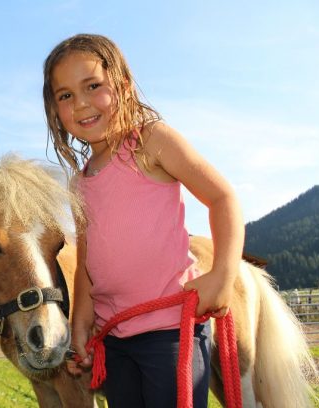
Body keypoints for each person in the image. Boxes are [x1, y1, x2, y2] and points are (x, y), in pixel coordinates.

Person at [43, 34, 244, 407]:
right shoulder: (80, 183)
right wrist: (81, 324)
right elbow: (88, 261)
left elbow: (223, 197)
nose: (82, 103)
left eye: (92, 86)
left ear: (122, 85)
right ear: (55, 110)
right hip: (114, 339)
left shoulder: (151, 142)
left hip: (169, 332)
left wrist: (223, 274)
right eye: (66, 95)